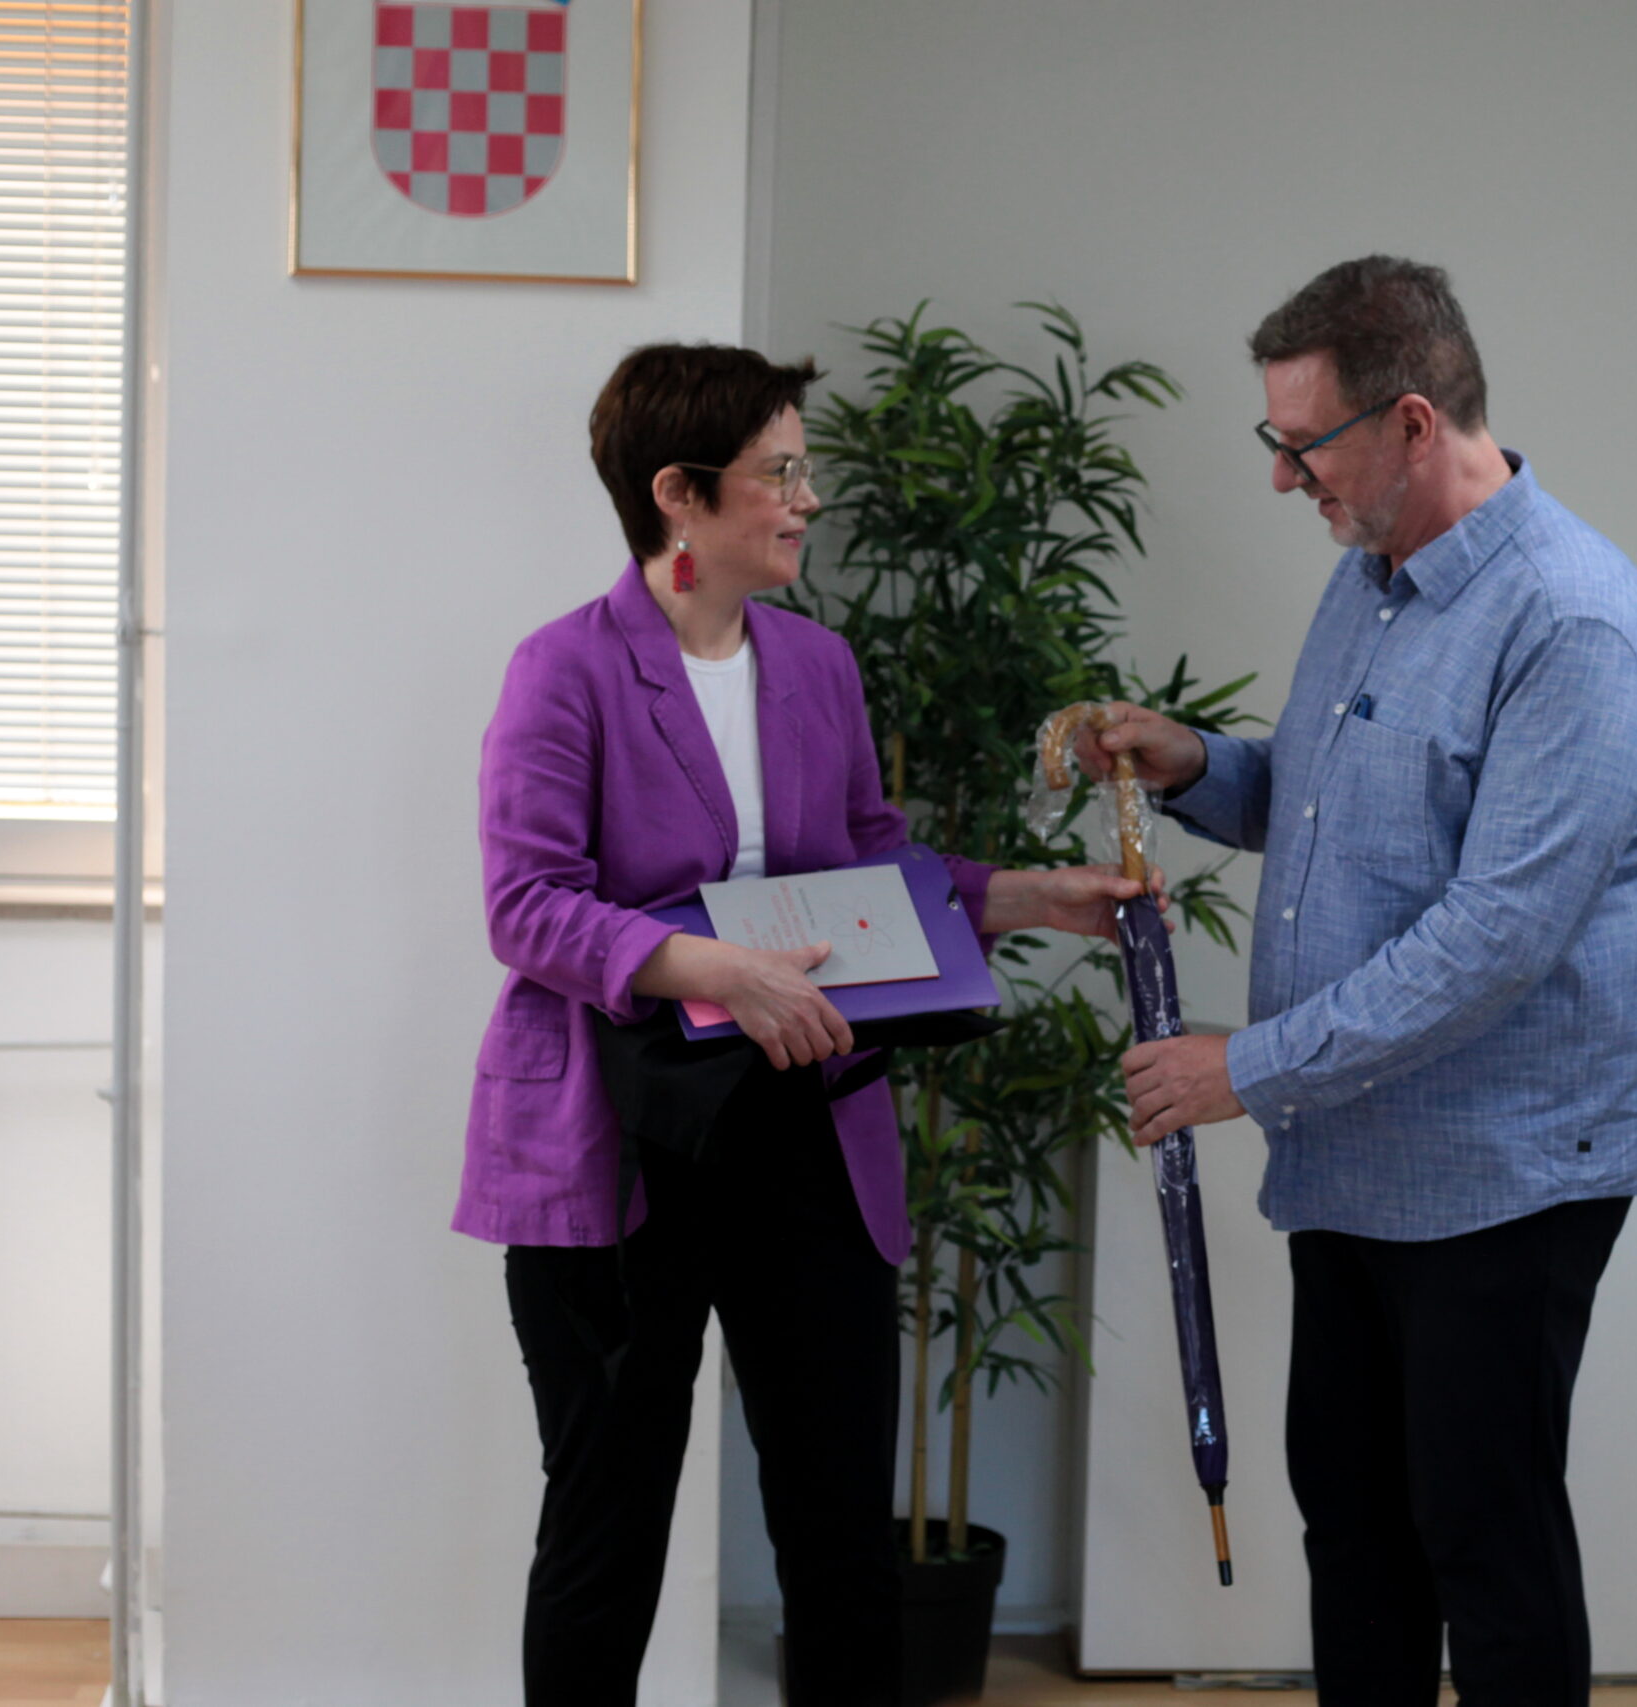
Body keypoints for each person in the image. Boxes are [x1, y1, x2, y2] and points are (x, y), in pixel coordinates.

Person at [458, 343, 1150, 1707]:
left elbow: (873, 866)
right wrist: (718, 966)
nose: (808, 498)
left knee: (840, 1534)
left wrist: (1032, 896)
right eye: (779, 472)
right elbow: (525, 906)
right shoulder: (563, 669)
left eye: (803, 469)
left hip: (808, 1127)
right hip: (623, 1144)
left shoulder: (818, 665)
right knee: (606, 1528)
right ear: (679, 493)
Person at [1093, 258, 1637, 1705]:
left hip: (1504, 1173)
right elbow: (1331, 810)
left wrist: (1244, 1069)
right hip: (1358, 1155)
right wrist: (1199, 767)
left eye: (1304, 445)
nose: (1282, 477)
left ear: (1414, 422)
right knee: (1355, 1530)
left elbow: (1493, 939)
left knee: (1483, 1540)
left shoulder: (1573, 621)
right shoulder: (1371, 581)